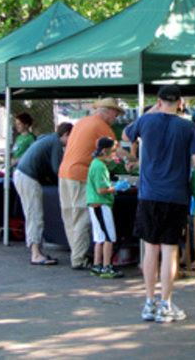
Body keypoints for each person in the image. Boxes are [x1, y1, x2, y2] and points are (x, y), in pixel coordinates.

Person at [123, 85, 195, 323]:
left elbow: (126, 136)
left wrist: (151, 110)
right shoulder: (189, 127)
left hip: (148, 195)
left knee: (150, 248)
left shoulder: (145, 122)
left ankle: (149, 302)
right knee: (170, 250)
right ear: (181, 103)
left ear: (158, 102)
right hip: (175, 196)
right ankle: (166, 304)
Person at [59, 98, 134, 269]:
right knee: (82, 218)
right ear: (108, 112)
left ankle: (77, 254)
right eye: (116, 113)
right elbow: (117, 150)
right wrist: (134, 159)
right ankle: (79, 259)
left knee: (70, 217)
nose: (116, 118)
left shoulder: (81, 122)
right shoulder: (102, 126)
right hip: (80, 175)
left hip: (64, 173)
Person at [14, 123, 73, 266]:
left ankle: (36, 250)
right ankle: (36, 254)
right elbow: (56, 168)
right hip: (29, 178)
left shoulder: (47, 138)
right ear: (65, 134)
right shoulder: (55, 143)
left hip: (22, 175)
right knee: (34, 215)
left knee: (32, 214)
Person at [86, 137, 128, 279]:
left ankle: (97, 265)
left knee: (100, 237)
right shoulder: (99, 166)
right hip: (101, 204)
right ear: (105, 151)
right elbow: (101, 189)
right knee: (109, 237)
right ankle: (107, 266)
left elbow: (114, 163)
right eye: (113, 151)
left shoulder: (96, 163)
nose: (114, 154)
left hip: (95, 204)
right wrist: (115, 187)